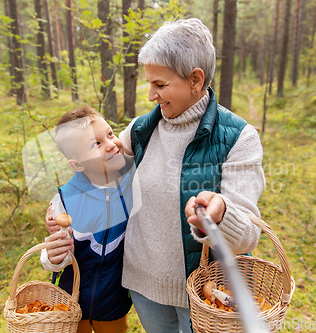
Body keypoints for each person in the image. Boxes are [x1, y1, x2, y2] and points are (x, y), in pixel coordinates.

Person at [114, 18, 266, 333]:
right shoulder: (143, 128)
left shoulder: (238, 138)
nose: (150, 95)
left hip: (205, 290)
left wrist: (222, 213)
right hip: (144, 284)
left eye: (160, 85)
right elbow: (104, 178)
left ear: (195, 79)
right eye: (149, 84)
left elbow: (249, 233)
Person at [41, 105, 133, 333]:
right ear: (77, 164)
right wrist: (50, 257)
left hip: (114, 300)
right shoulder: (65, 201)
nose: (111, 144)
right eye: (97, 144)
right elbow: (58, 252)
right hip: (70, 302)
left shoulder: (131, 183)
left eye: (110, 134)